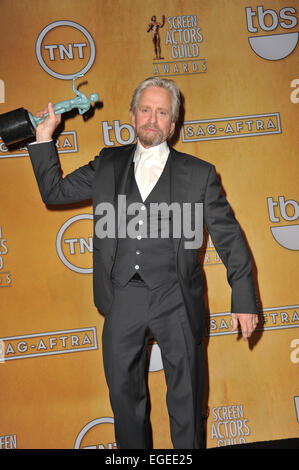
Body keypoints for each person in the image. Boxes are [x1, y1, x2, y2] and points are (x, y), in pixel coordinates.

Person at [28, 77, 259, 449]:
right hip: (122, 300)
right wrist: (43, 137)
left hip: (177, 300)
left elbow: (229, 238)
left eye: (162, 112)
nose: (153, 118)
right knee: (124, 401)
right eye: (146, 110)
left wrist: (244, 299)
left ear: (172, 123)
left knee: (187, 400)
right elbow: (55, 192)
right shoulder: (108, 162)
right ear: (133, 116)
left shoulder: (199, 174)